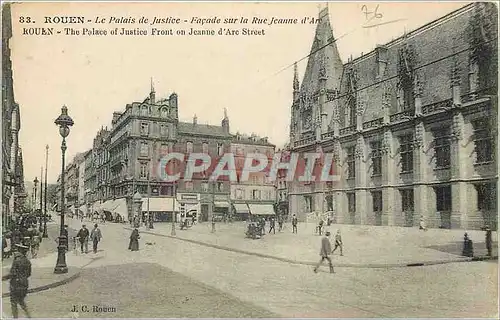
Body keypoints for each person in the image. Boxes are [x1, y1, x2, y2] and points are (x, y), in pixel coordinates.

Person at [3, 244, 32, 318]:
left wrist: (3, 278)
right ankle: (29, 316)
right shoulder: (28, 261)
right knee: (21, 301)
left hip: (16, 284)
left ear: (20, 251)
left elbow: (13, 273)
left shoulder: (16, 261)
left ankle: (15, 317)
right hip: (24, 284)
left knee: (13, 302)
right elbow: (29, 274)